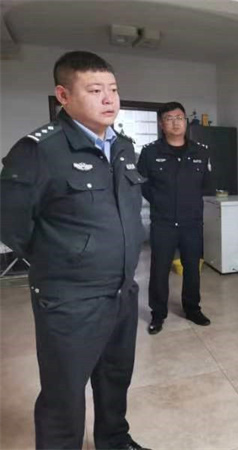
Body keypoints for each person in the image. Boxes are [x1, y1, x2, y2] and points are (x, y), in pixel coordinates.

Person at [0, 51, 149, 450]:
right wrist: (64, 257)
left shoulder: (123, 147)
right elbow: (11, 223)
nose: (109, 99)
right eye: (95, 90)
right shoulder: (39, 151)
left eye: (113, 89)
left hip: (121, 290)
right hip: (69, 298)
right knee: (63, 392)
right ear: (63, 96)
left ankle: (114, 441)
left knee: (115, 377)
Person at [137, 102, 211, 335]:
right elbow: (143, 185)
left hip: (192, 222)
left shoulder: (201, 152)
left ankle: (193, 309)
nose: (175, 123)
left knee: (192, 268)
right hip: (164, 222)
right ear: (162, 124)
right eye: (169, 119)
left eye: (179, 117)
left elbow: (206, 184)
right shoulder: (150, 153)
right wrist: (162, 202)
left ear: (185, 121)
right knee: (159, 270)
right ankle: (158, 314)